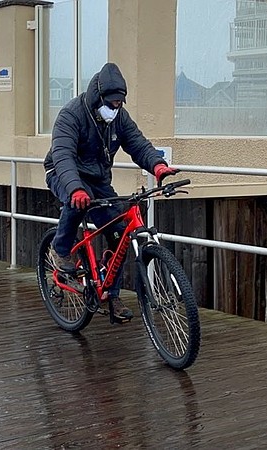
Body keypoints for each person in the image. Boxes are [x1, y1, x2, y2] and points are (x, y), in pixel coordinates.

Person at [43, 62, 179, 323]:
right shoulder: (71, 115)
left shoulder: (119, 117)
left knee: (120, 236)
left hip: (98, 180)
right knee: (77, 202)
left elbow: (137, 144)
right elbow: (62, 155)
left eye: (119, 104)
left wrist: (158, 166)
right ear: (98, 97)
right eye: (111, 103)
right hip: (63, 174)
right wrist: (75, 187)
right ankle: (60, 250)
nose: (115, 109)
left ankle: (111, 295)